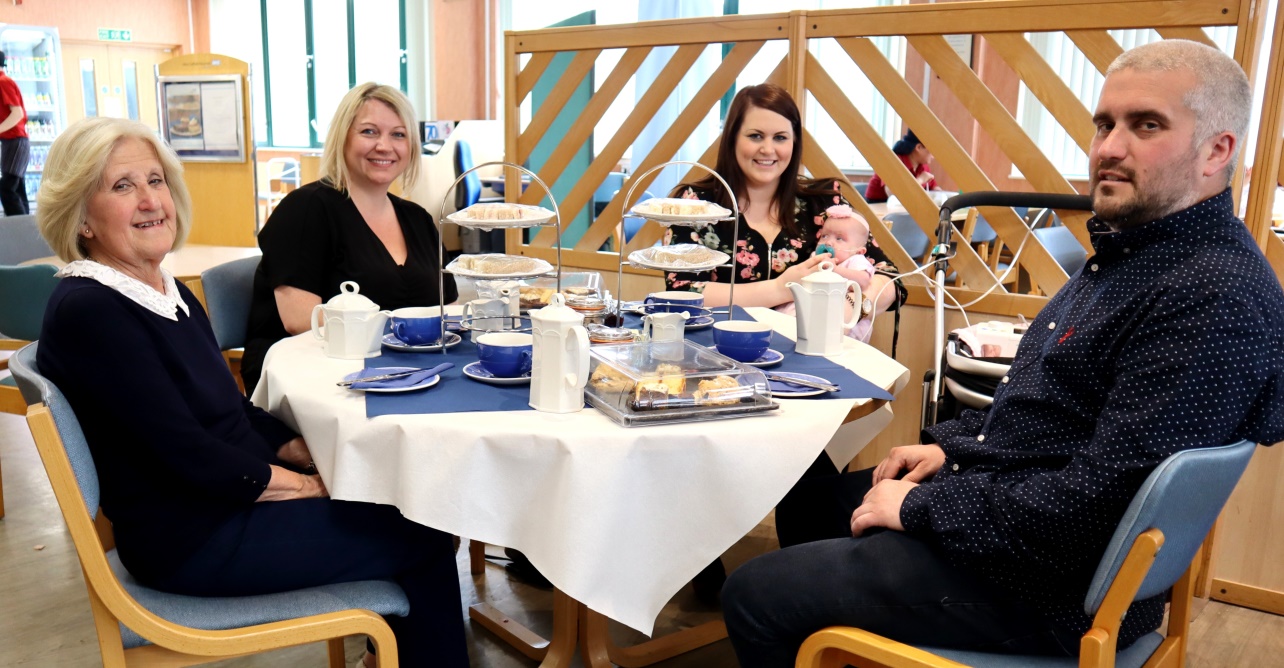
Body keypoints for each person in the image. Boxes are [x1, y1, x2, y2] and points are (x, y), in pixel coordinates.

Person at [721, 39, 1284, 667]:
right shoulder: (1142, 258)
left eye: (1146, 125)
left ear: (1217, 151)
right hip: (1020, 523)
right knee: (812, 501)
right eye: (1105, 124)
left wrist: (921, 506)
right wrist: (951, 448)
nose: (1109, 148)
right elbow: (1056, 417)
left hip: (1051, 592)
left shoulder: (1213, 296)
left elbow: (1096, 509)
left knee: (754, 594)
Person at [34, 117, 469, 668]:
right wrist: (309, 486)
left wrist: (297, 451)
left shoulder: (161, 290)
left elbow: (231, 413)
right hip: (191, 540)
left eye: (156, 181)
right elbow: (186, 453)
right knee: (424, 533)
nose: (150, 201)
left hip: (216, 512)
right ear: (81, 217)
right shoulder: (92, 310)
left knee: (399, 506)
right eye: (122, 186)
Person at [242, 82, 457, 394]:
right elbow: (301, 322)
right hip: (316, 378)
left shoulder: (418, 219)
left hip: (407, 373)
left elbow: (445, 306)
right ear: (342, 138)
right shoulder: (306, 209)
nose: (385, 146)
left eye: (398, 134)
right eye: (369, 132)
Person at [665, 82, 904, 337]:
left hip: (807, 358)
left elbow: (887, 276)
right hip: (718, 352)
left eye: (780, 137)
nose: (768, 149)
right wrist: (781, 288)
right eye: (755, 136)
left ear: (794, 142)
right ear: (732, 138)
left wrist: (855, 308)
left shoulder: (823, 202)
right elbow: (682, 290)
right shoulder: (695, 204)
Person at [863, 128, 935, 203]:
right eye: (932, 150)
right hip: (878, 205)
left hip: (902, 207)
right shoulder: (894, 161)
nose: (934, 156)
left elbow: (934, 188)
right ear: (919, 148)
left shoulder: (923, 166)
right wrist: (920, 180)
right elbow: (892, 195)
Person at [0, 50, 30, 215]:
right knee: (17, 188)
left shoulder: (3, 82)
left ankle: (19, 229)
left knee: (7, 189)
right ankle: (25, 229)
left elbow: (17, 113)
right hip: (11, 141)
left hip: (15, 140)